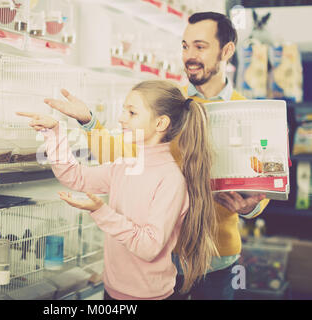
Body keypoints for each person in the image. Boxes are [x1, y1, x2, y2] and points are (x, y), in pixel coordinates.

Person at [42, 12, 270, 300]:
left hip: (216, 259)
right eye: (185, 46)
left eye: (200, 47)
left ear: (227, 51)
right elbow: (124, 157)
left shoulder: (248, 113)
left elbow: (260, 184)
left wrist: (249, 208)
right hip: (163, 257)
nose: (189, 55)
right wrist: (89, 121)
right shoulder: (171, 101)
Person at [18, 80, 219, 300]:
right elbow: (74, 176)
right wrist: (54, 133)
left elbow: (148, 247)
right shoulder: (125, 165)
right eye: (124, 110)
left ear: (160, 123)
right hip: (112, 291)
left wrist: (101, 211)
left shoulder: (170, 180)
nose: (121, 118)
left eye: (132, 113)